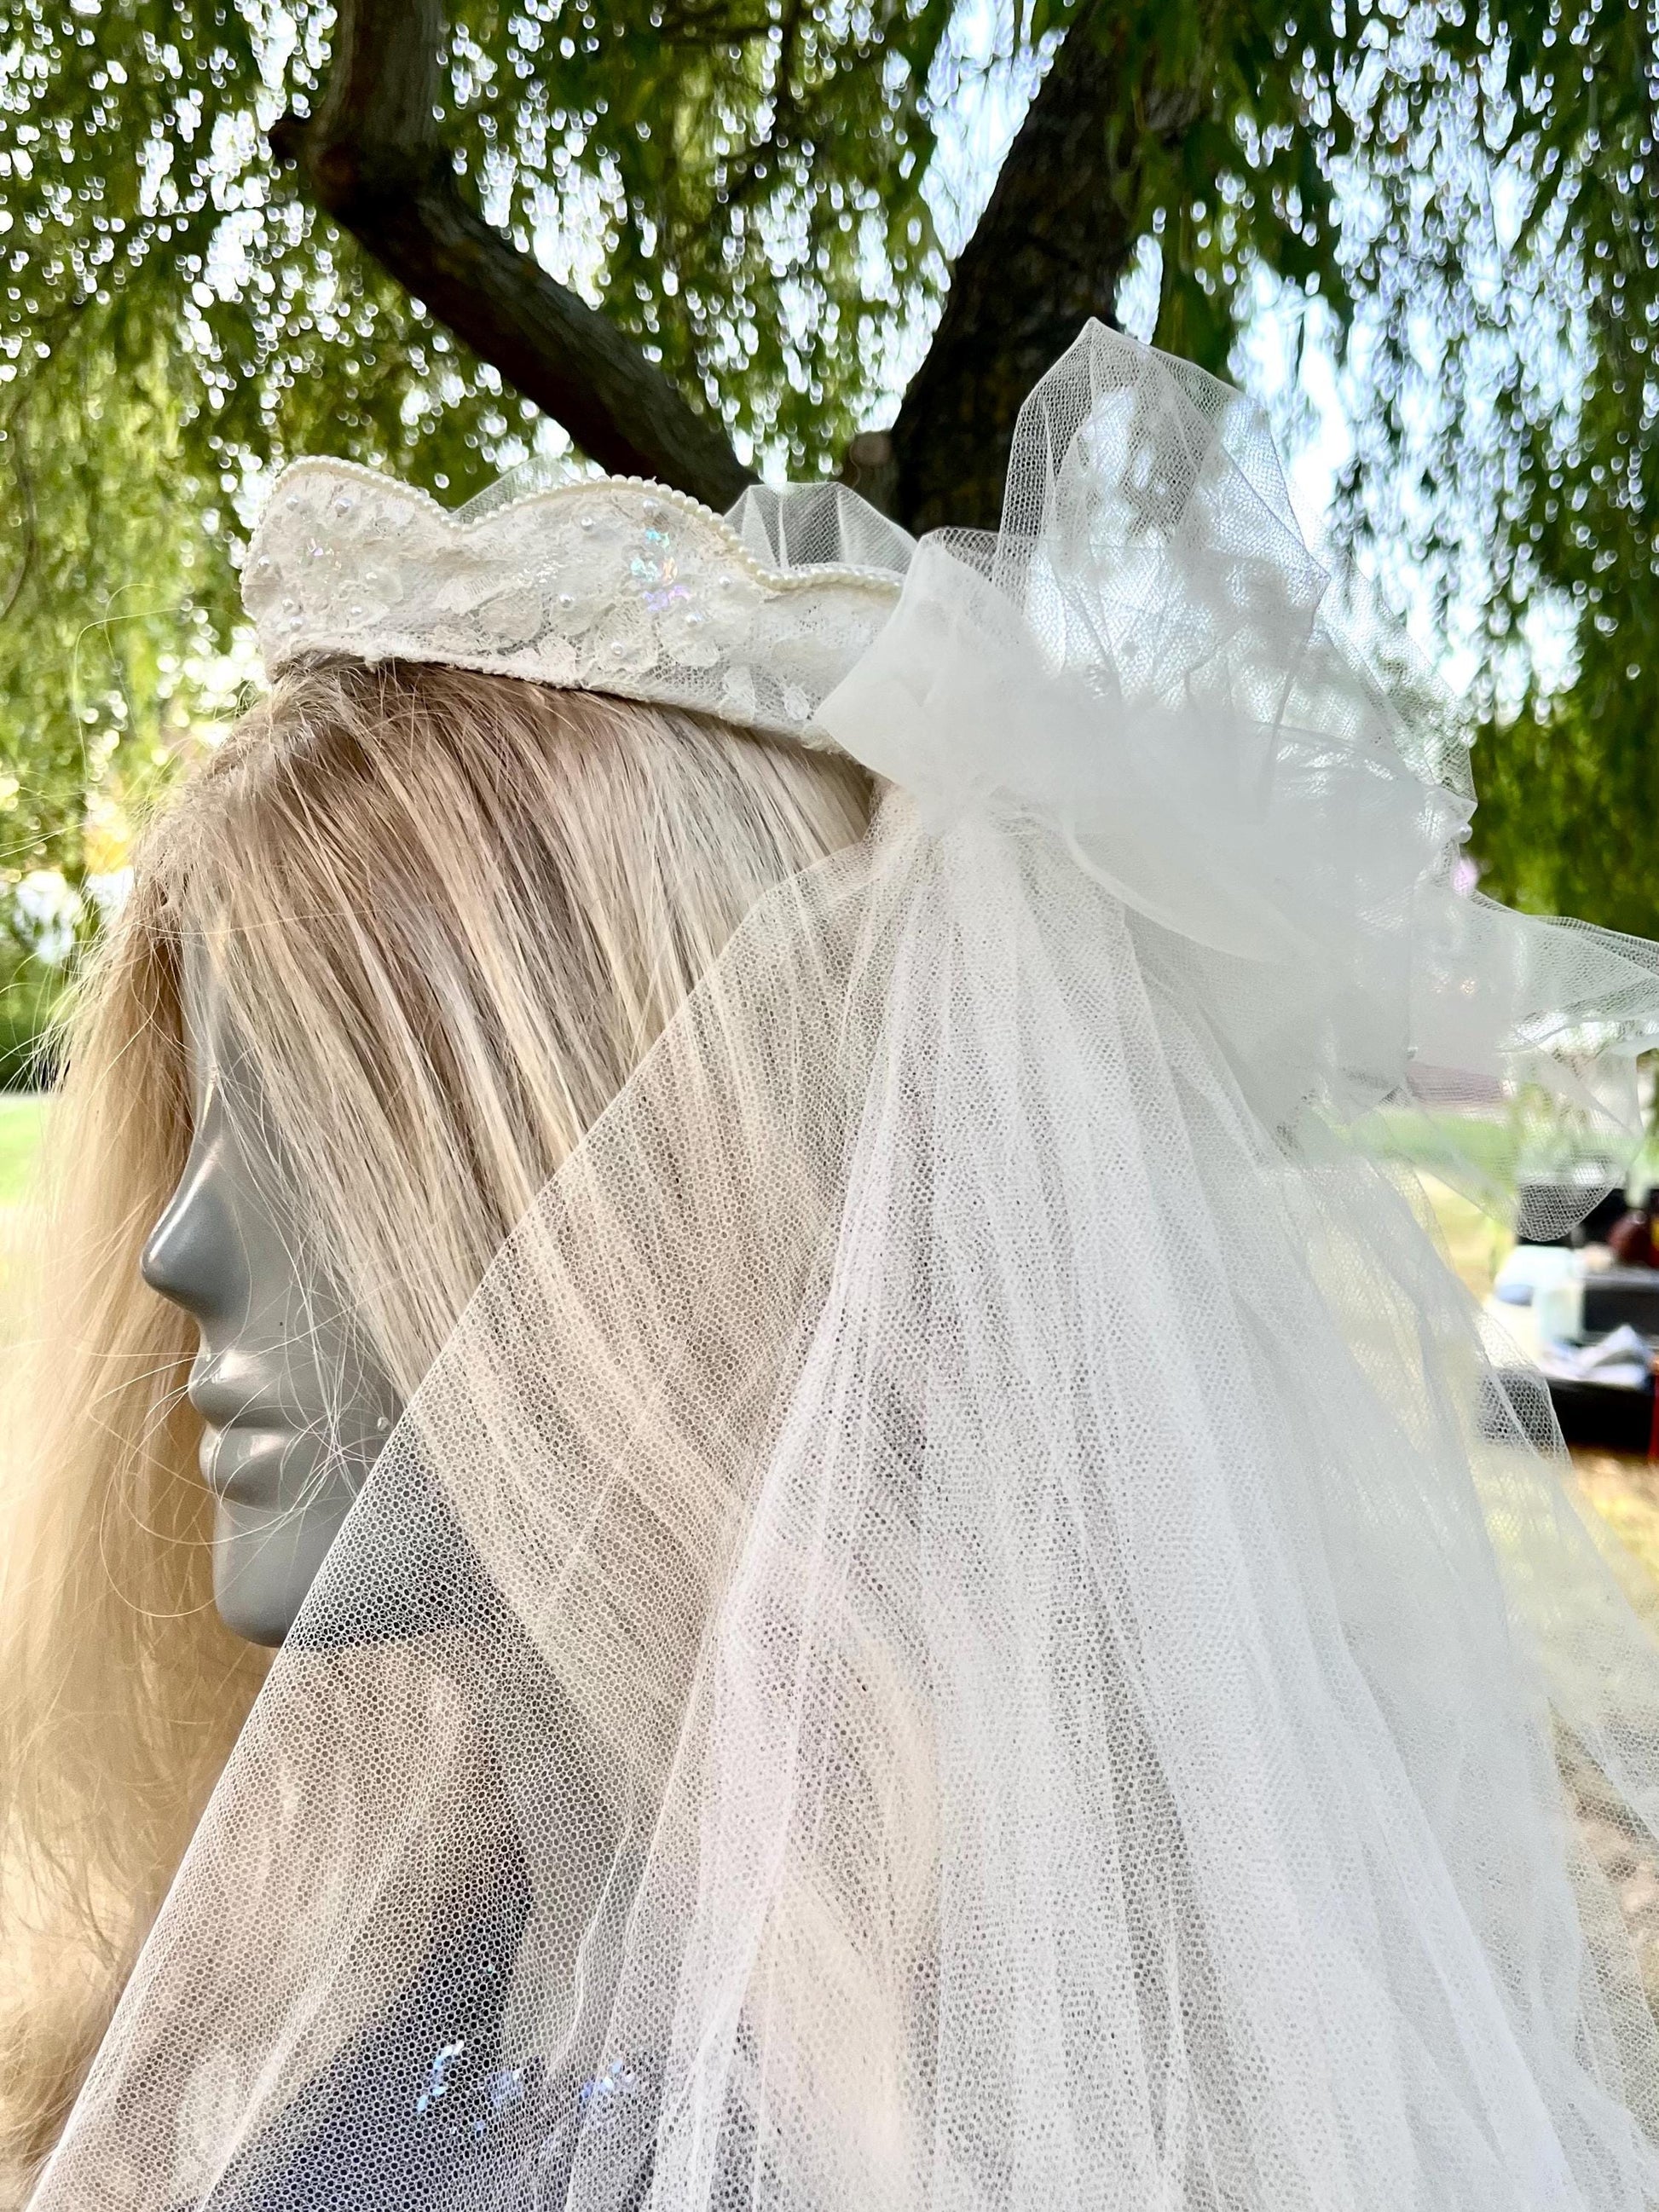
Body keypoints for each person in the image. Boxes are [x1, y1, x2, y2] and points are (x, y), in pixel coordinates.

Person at [9, 324, 1659, 2210]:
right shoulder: (447, 1925)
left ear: (665, 1204)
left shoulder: (912, 2123)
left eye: (323, 1128)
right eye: (209, 1115)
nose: (175, 1240)